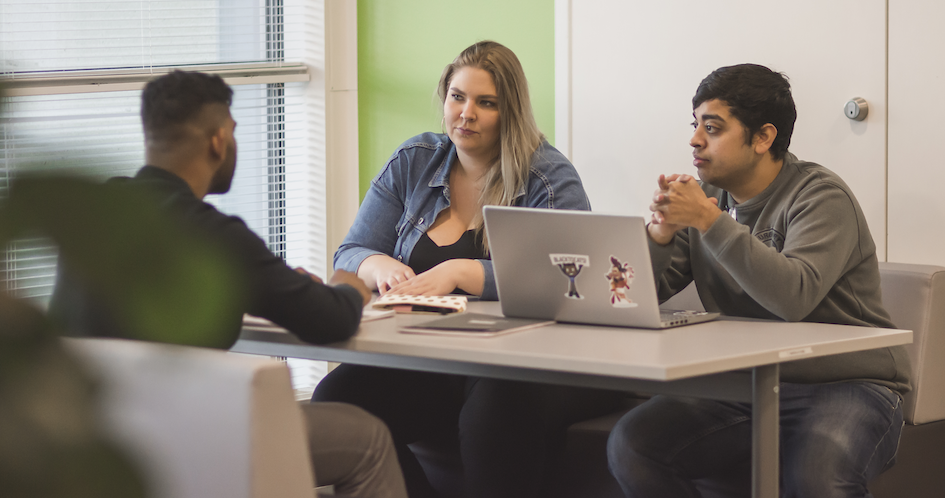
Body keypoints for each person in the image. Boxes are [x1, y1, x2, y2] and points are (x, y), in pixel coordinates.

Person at [48, 70, 408, 498]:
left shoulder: (91, 214)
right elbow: (329, 321)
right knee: (368, 439)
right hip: (185, 438)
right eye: (234, 132)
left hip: (94, 439)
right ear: (218, 140)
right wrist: (349, 286)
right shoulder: (217, 236)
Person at [313, 41, 624, 498]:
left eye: (486, 103)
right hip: (436, 359)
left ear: (510, 111)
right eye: (457, 97)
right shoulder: (414, 160)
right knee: (338, 397)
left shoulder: (548, 178)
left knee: (494, 409)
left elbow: (571, 281)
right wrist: (377, 265)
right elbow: (351, 251)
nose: (466, 113)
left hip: (530, 369)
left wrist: (464, 271)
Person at [606, 64, 912, 498]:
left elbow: (793, 297)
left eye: (712, 128)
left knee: (817, 476)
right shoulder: (706, 201)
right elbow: (633, 298)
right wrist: (658, 235)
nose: (694, 140)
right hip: (745, 383)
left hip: (849, 384)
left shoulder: (820, 196)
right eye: (695, 126)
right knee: (634, 445)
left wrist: (709, 221)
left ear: (764, 137)